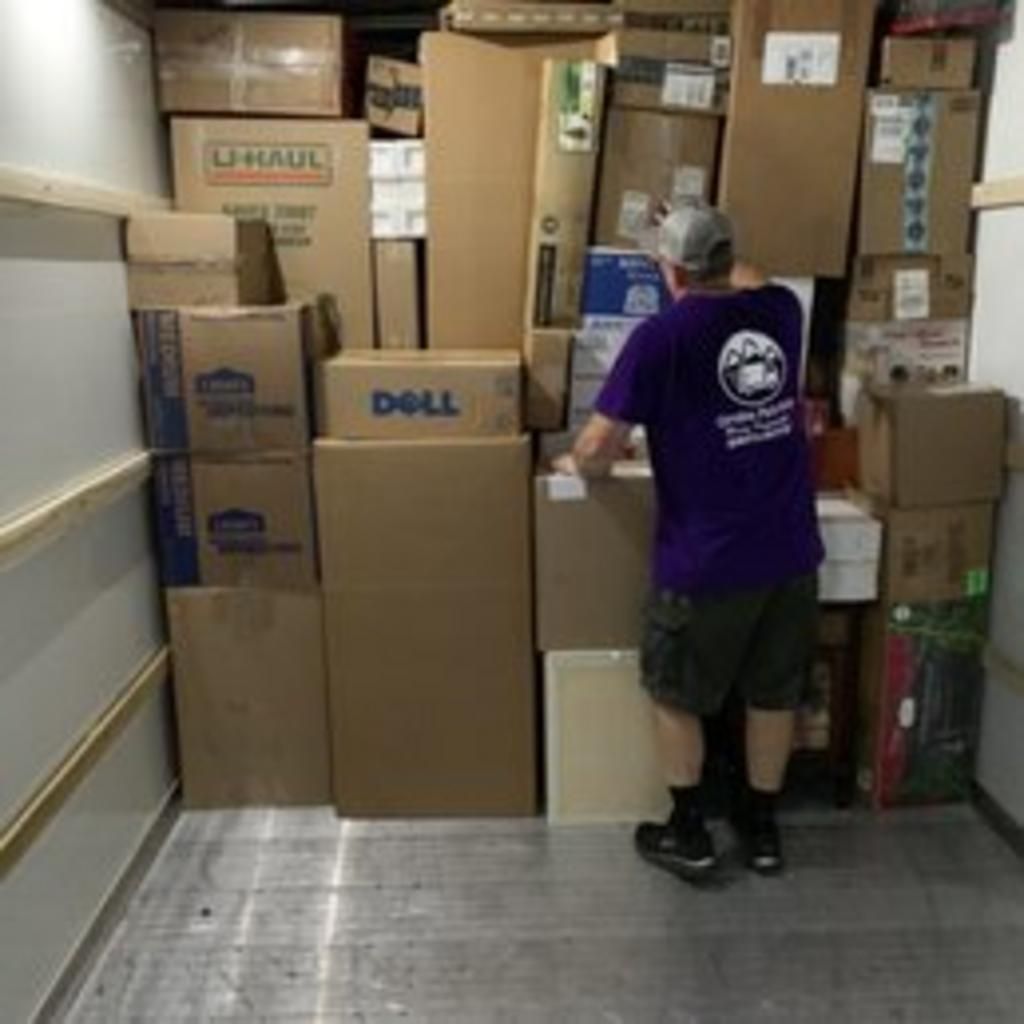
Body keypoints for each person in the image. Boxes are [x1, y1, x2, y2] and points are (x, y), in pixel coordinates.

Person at [554, 202, 824, 880]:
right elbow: (751, 276)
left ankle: (690, 832)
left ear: (668, 270)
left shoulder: (660, 338)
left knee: (675, 692)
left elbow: (596, 447)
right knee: (773, 693)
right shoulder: (782, 313)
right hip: (790, 551)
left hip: (705, 561)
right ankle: (762, 832)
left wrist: (574, 466)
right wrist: (711, 240)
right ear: (729, 262)